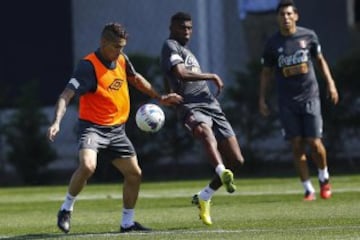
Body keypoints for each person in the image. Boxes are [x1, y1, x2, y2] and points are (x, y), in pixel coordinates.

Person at [47, 22, 182, 233]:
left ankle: (127, 223)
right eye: (116, 47)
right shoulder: (87, 66)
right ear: (103, 43)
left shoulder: (121, 59)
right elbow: (66, 95)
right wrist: (56, 122)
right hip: (93, 128)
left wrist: (160, 97)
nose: (120, 51)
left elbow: (135, 79)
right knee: (88, 166)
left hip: (117, 131)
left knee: (134, 174)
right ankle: (66, 208)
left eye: (122, 47)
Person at [160, 12, 245, 225]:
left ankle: (204, 196)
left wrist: (167, 90)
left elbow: (167, 76)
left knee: (237, 160)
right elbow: (179, 73)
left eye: (189, 28)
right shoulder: (170, 45)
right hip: (190, 104)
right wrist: (211, 75)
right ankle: (220, 171)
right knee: (203, 131)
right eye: (182, 28)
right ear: (172, 28)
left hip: (210, 104)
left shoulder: (187, 51)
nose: (187, 32)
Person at [259, 0, 339, 201]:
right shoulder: (272, 44)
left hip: (310, 97)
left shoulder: (308, 36)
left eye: (289, 14)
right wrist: (262, 98)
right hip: (287, 101)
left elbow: (320, 61)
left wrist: (331, 84)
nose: (285, 18)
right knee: (296, 144)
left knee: (314, 143)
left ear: (296, 16)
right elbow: (266, 73)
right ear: (277, 18)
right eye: (282, 15)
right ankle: (308, 189)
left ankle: (324, 178)